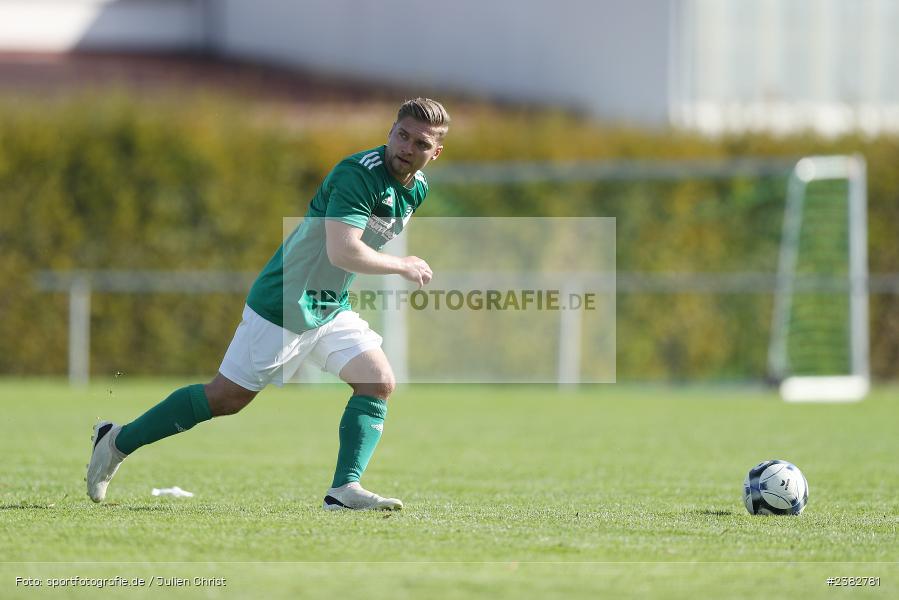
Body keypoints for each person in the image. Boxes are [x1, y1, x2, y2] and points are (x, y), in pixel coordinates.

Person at [87, 98, 449, 510]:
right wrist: (401, 265)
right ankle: (116, 441)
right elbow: (342, 252)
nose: (406, 146)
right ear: (390, 132)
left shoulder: (416, 189)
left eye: (420, 143)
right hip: (284, 300)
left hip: (328, 306)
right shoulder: (357, 174)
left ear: (435, 153)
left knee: (377, 381)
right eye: (401, 135)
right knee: (225, 398)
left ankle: (344, 491)